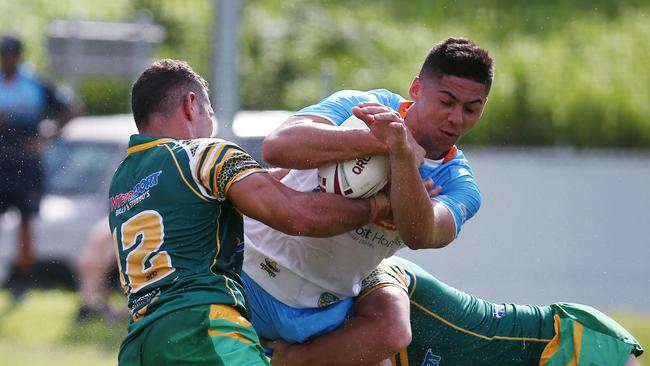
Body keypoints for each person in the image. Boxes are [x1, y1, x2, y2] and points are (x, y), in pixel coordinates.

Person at [110, 59, 391, 366]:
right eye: (210, 114)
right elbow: (298, 216)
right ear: (192, 105)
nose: (211, 126)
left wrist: (287, 173)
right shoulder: (203, 152)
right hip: (201, 331)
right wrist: (379, 206)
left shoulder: (124, 181)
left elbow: (245, 187)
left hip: (139, 344)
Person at [241, 37, 491, 364]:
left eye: (471, 109)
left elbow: (421, 234)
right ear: (417, 89)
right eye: (446, 101)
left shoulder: (459, 183)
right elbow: (277, 147)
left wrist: (401, 157)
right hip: (244, 273)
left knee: (390, 338)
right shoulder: (364, 107)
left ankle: (291, 360)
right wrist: (379, 142)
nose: (456, 119)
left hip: (320, 314)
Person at [269, 256, 644, 366]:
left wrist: (294, 359)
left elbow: (391, 335)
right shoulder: (315, 314)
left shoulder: (378, 271)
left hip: (567, 343)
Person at [0, 34, 75, 300]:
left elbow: (70, 108)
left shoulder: (34, 83)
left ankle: (22, 278)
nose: (7, 61)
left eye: (10, 55)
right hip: (1, 161)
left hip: (26, 162)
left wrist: (46, 136)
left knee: (26, 220)